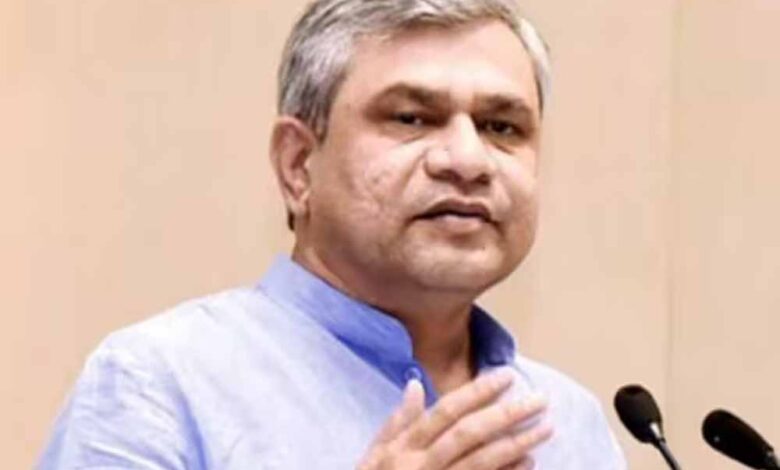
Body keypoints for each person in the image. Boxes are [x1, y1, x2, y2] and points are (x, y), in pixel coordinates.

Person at [39, 0, 626, 468]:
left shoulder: (568, 423)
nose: (468, 160)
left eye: (502, 127)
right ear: (298, 165)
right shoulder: (158, 384)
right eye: (412, 118)